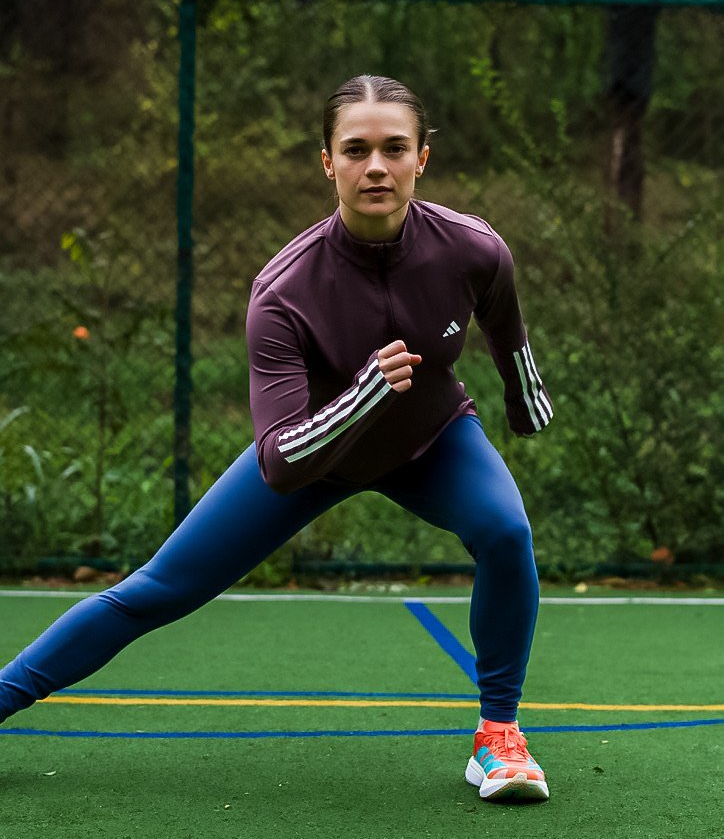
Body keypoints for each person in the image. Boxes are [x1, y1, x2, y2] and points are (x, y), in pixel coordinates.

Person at [0, 74, 553, 803]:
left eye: (394, 148)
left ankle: (499, 740)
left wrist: (524, 395)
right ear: (328, 162)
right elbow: (281, 459)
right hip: (313, 456)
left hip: (432, 440)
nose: (376, 167)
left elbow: (504, 328)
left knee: (508, 532)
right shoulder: (285, 289)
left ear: (424, 156)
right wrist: (364, 393)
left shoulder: (475, 249)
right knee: (155, 592)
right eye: (356, 150)